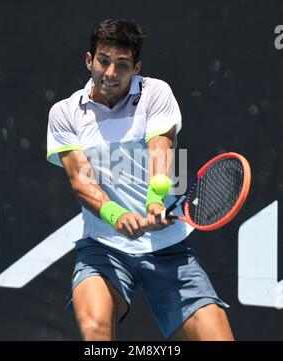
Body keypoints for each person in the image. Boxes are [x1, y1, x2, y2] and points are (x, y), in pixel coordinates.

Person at [46, 19, 234, 341]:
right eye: (103, 61)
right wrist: (116, 216)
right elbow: (80, 180)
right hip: (103, 250)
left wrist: (155, 198)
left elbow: (161, 145)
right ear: (89, 60)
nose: (110, 73)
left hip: (169, 250)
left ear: (136, 68)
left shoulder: (155, 92)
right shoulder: (65, 113)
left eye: (122, 65)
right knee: (95, 333)